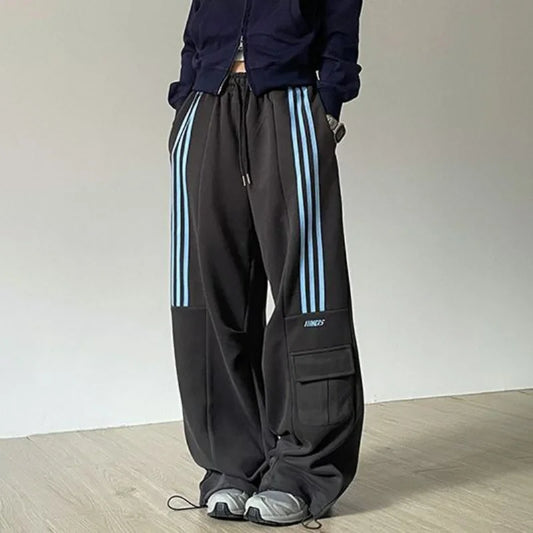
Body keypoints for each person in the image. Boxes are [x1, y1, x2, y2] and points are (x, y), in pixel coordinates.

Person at [165, 0, 365, 528]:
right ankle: (231, 463)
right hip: (207, 102)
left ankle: (304, 469)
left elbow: (341, 14)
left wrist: (329, 102)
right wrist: (185, 103)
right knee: (206, 293)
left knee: (309, 292)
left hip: (291, 99)